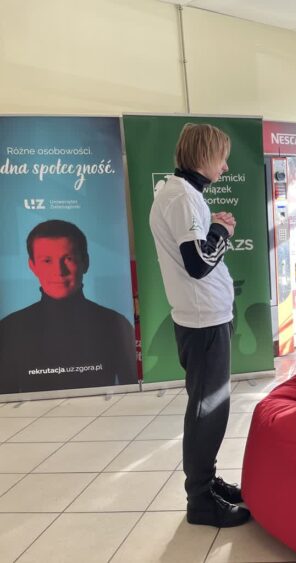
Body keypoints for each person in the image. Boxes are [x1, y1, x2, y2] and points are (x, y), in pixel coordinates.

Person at [149, 123, 249, 528]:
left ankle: (206, 483)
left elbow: (195, 252)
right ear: (204, 155)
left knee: (208, 408)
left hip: (205, 317)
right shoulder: (182, 197)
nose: (225, 167)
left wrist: (212, 229)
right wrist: (222, 230)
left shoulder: (182, 194)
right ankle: (201, 499)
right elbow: (198, 262)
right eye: (222, 158)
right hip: (203, 320)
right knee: (209, 410)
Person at [0, 220, 136, 394]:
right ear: (32, 266)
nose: (59, 271)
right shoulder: (10, 328)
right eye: (47, 261)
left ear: (85, 262)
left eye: (68, 259)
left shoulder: (114, 324)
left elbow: (131, 392)